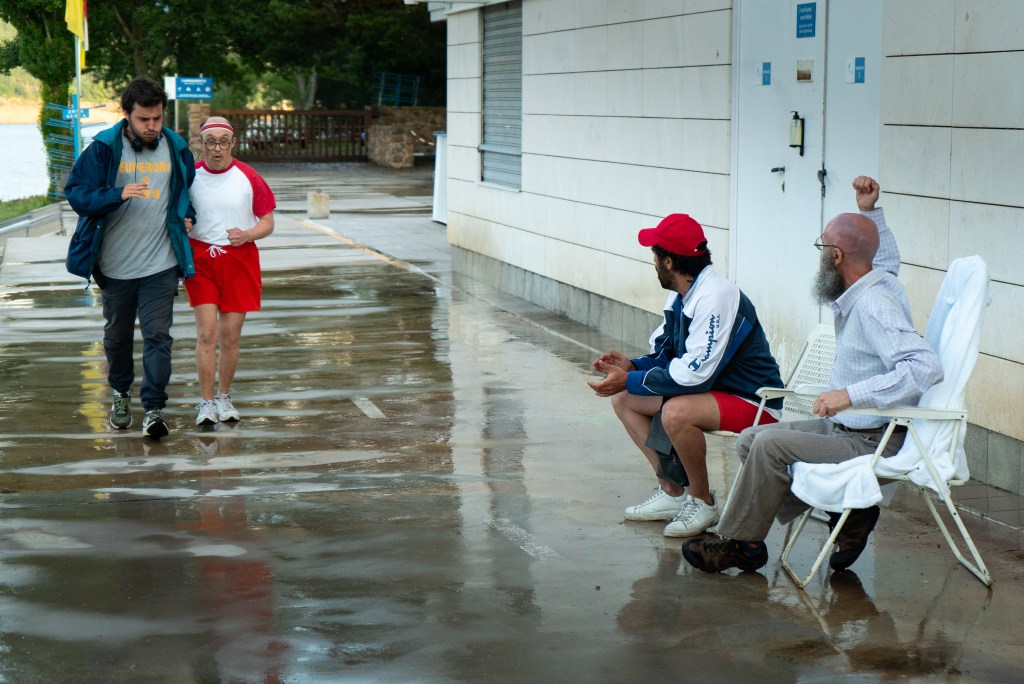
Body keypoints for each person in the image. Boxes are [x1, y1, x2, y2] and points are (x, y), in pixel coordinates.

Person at [681, 176, 944, 574]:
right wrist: (869, 212)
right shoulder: (879, 279)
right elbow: (883, 257)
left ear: (836, 256)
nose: (820, 255)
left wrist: (850, 395)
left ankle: (739, 544)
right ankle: (846, 513)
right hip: (846, 429)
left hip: (874, 439)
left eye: (823, 247)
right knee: (752, 439)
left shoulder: (874, 304)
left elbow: (925, 366)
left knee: (770, 447)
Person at [588, 214, 785, 537]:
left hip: (754, 401)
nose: (653, 263)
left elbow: (694, 375)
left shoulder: (716, 295)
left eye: (655, 255)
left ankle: (702, 501)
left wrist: (632, 378)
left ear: (668, 262)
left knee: (676, 411)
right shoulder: (683, 293)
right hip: (714, 392)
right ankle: (672, 491)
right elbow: (666, 353)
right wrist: (631, 368)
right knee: (624, 398)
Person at [65, 77, 196, 439]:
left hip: (161, 264)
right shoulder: (104, 149)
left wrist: (188, 216)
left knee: (158, 336)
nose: (152, 126)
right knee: (118, 337)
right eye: (144, 119)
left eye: (157, 118)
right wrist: (117, 194)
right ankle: (121, 393)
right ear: (126, 114)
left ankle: (154, 408)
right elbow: (77, 194)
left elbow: (186, 192)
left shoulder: (177, 147)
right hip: (115, 266)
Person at [186, 116, 276, 426]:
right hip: (201, 259)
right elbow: (177, 212)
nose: (217, 149)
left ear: (233, 143)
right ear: (201, 143)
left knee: (231, 337)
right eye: (210, 142)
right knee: (206, 334)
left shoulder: (248, 176)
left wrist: (248, 234)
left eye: (223, 142)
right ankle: (206, 402)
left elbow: (267, 221)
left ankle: (224, 397)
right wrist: (182, 223)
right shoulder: (191, 176)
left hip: (239, 261)